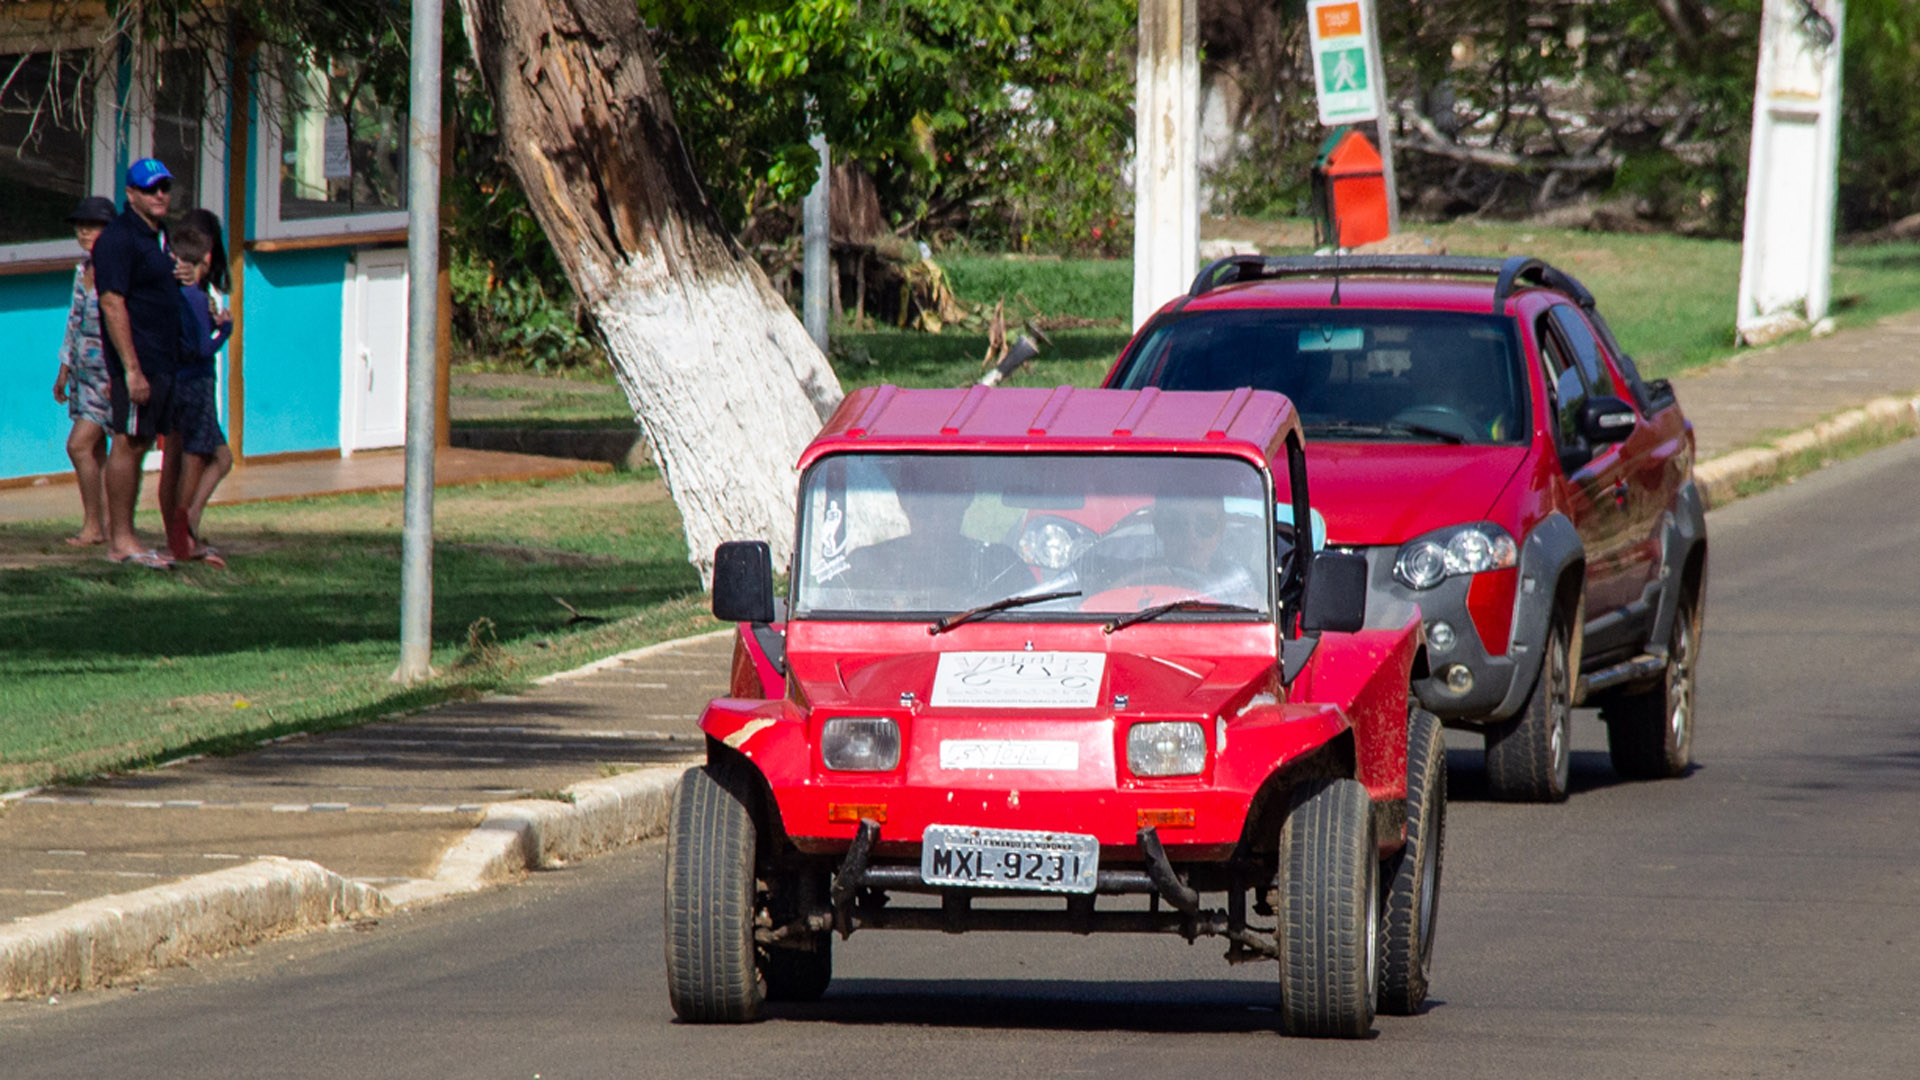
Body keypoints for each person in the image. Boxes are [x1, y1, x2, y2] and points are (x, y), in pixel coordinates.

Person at [93, 158, 184, 569]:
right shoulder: (117, 240)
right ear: (130, 194)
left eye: (164, 187)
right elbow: (112, 302)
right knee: (127, 442)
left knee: (143, 442)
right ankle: (121, 540)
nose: (160, 195)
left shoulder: (159, 236)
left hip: (163, 358)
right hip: (138, 362)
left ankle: (129, 534)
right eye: (150, 189)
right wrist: (130, 369)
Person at [163, 220, 233, 567]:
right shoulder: (195, 296)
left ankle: (187, 525)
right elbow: (204, 348)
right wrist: (226, 330)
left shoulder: (175, 293)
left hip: (177, 383)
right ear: (206, 258)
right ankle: (183, 534)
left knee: (221, 458)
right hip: (197, 383)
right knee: (194, 457)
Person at [51, 196, 119, 547]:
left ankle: (95, 525)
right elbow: (74, 321)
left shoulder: (120, 271)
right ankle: (106, 525)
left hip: (109, 375)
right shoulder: (83, 270)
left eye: (92, 226)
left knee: (78, 446)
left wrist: (124, 373)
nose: (84, 232)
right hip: (83, 371)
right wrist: (64, 369)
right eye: (80, 226)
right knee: (96, 450)